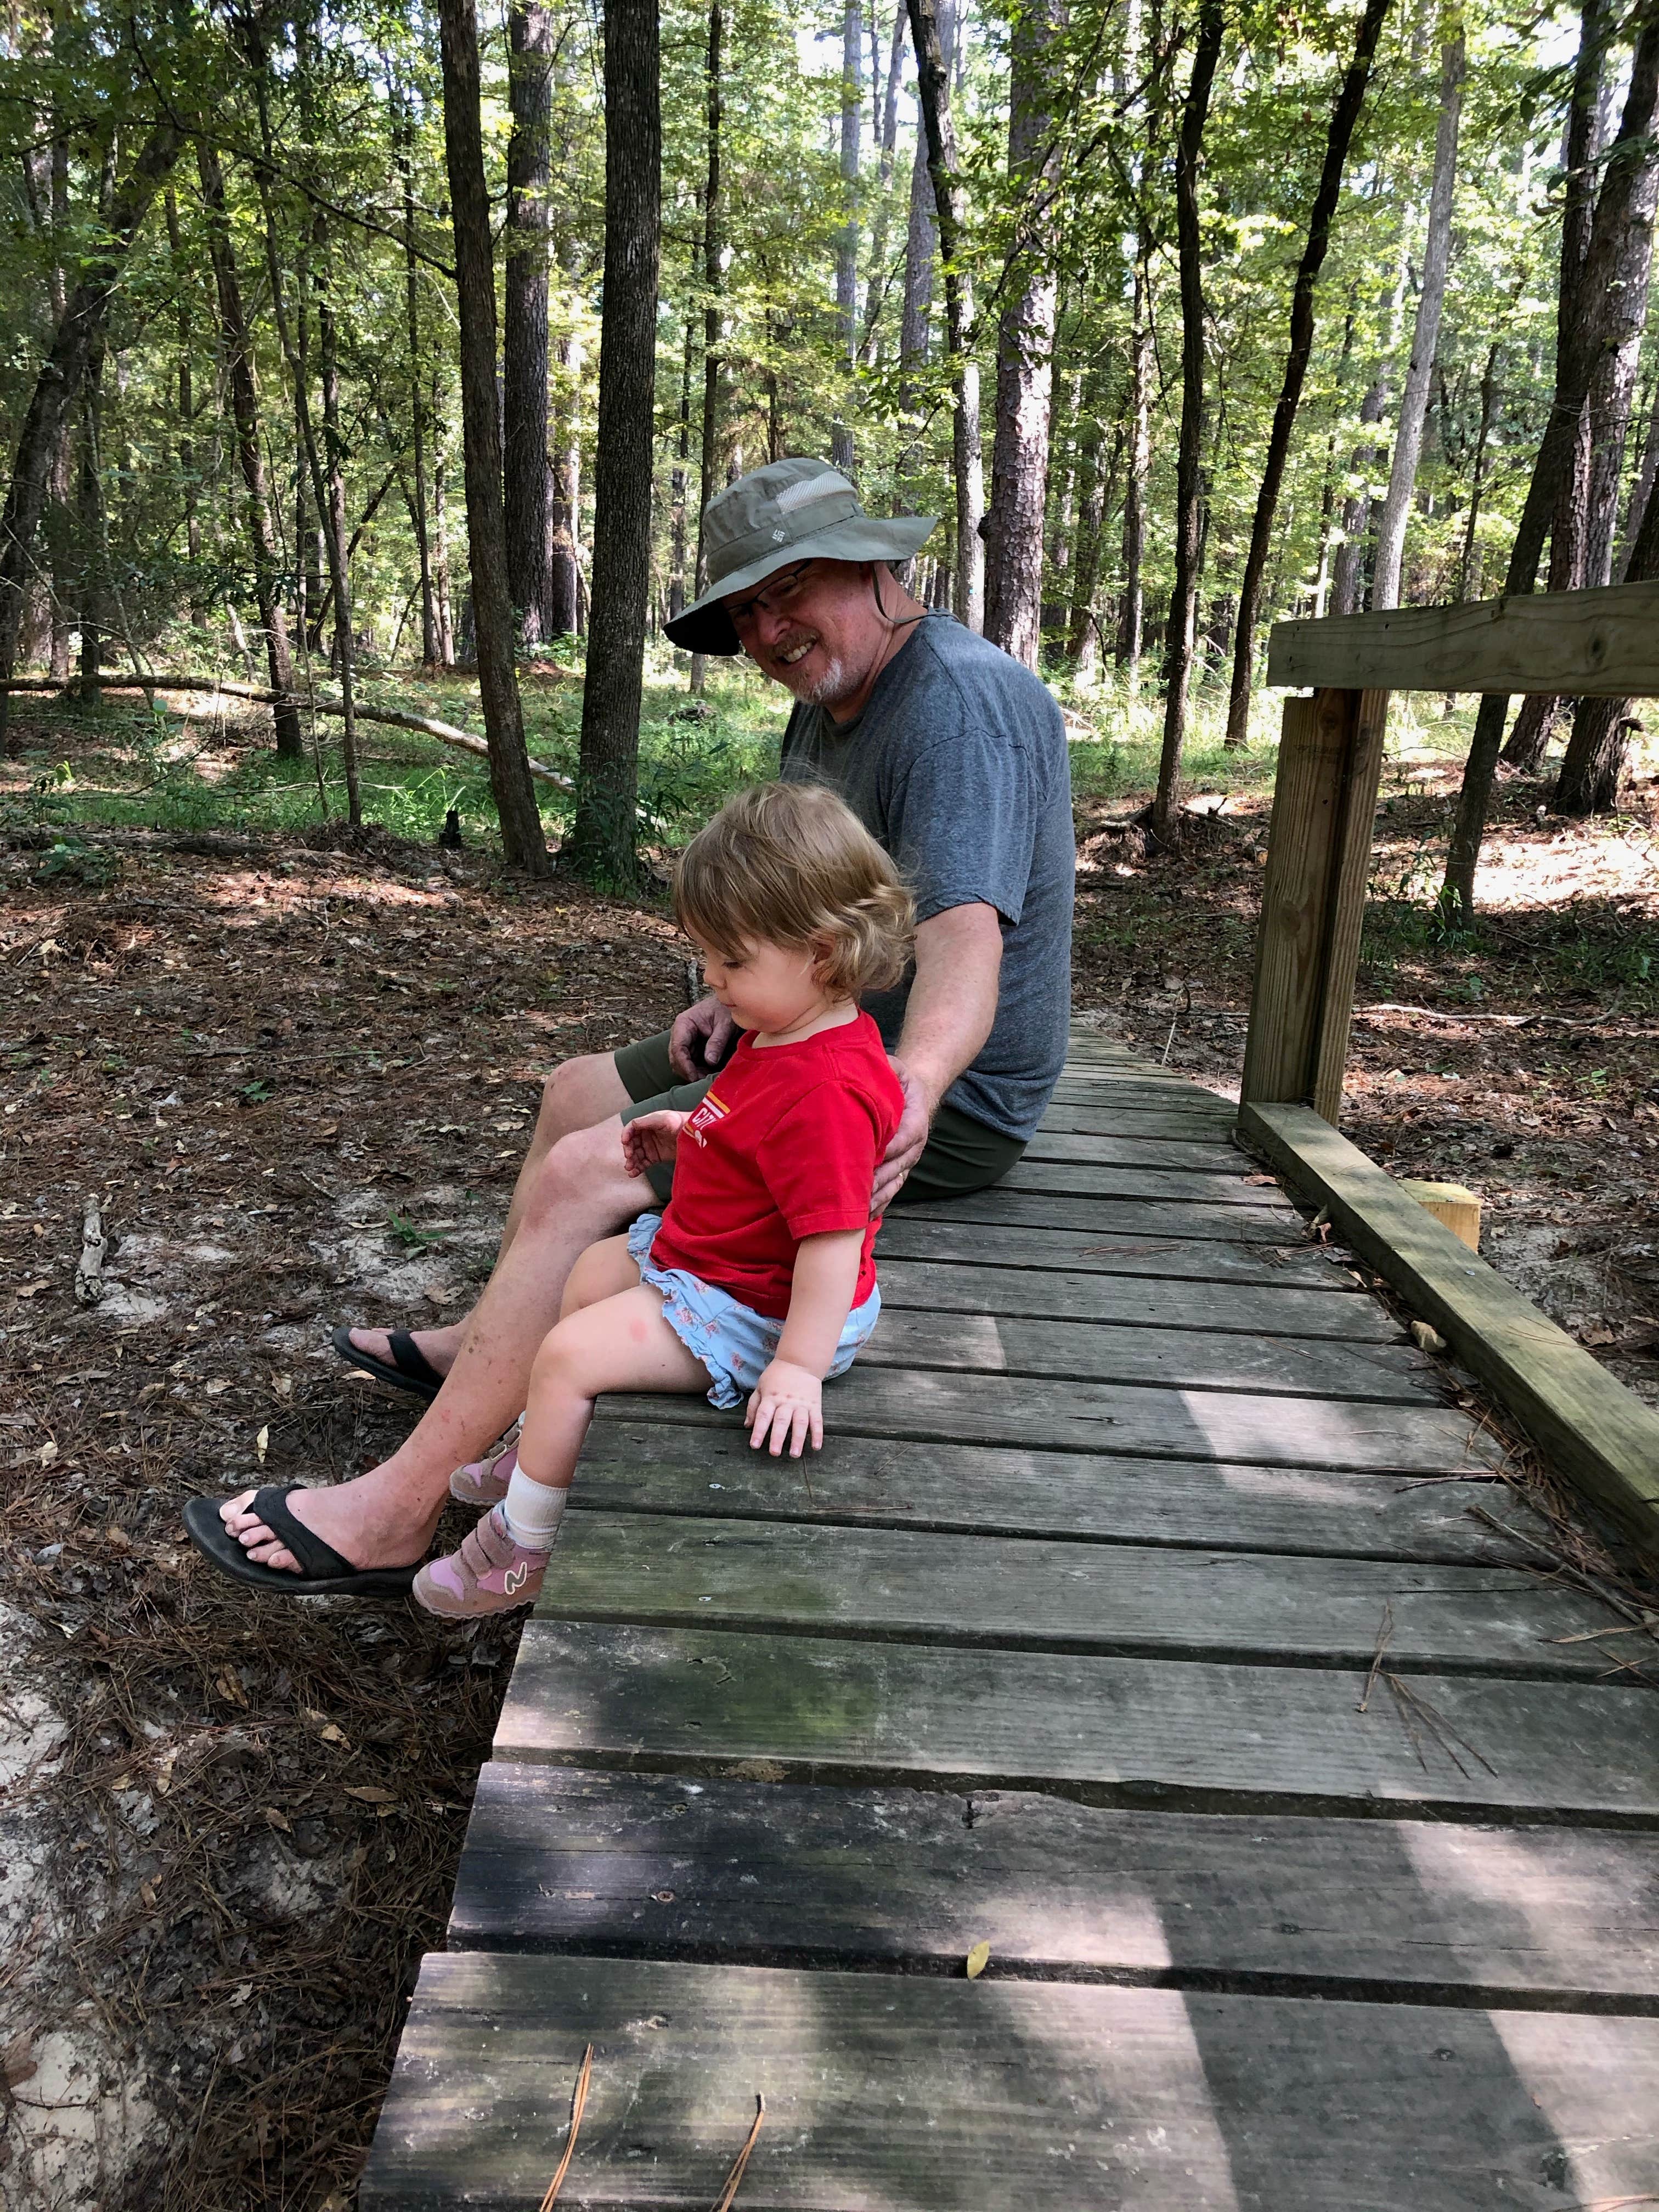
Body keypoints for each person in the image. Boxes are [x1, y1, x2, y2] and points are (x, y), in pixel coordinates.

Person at [184, 455, 1074, 1592]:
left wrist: (922, 1083)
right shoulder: (831, 708)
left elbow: (963, 940)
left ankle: (396, 1511)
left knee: (581, 1177)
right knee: (574, 1092)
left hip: (907, 1089)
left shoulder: (953, 705)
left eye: (790, 588)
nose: (769, 626)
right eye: (746, 608)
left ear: (874, 565)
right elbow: (812, 902)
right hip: (808, 1021)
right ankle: (487, 1348)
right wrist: (731, 993)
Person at [410, 784, 908, 1616]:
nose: (711, 979)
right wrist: (689, 1131)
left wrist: (795, 1369)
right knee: (590, 1271)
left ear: (821, 952)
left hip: (769, 1309)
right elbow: (757, 1130)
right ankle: (543, 1443)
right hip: (723, 1257)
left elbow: (832, 1242)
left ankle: (526, 1545)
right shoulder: (785, 1029)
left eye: (732, 961)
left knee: (570, 1355)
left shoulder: (827, 1091)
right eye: (708, 956)